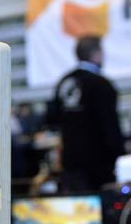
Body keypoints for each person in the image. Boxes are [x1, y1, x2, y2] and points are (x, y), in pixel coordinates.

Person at [46, 35, 125, 191]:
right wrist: (119, 155)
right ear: (96, 53)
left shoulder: (64, 82)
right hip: (99, 162)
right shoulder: (101, 84)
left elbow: (52, 118)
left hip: (71, 161)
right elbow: (110, 125)